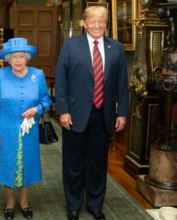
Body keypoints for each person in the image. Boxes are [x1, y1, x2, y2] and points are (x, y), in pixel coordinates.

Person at [55, 6, 129, 220]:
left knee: (98, 164)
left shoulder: (116, 48)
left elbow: (122, 84)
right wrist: (63, 111)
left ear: (106, 24)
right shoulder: (70, 46)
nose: (97, 25)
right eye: (92, 21)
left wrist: (122, 112)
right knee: (74, 163)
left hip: (104, 115)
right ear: (84, 24)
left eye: (101, 21)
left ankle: (95, 205)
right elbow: (61, 82)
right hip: (75, 115)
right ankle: (74, 204)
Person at [0, 38, 52, 220]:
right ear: (8, 58)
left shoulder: (37, 75)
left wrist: (36, 109)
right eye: (14, 56)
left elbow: (46, 101)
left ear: (27, 57)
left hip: (28, 131)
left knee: (27, 165)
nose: (17, 60)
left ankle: (24, 202)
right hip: (5, 129)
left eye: (21, 56)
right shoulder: (0, 74)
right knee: (7, 164)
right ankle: (9, 202)